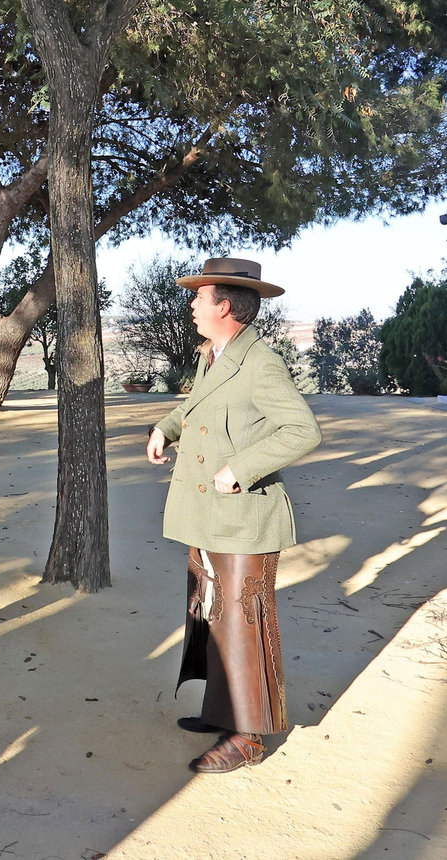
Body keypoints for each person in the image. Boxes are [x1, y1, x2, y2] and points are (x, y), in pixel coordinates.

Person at [146, 257, 321, 774]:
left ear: (225, 305)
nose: (193, 305)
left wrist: (241, 468)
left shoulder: (261, 362)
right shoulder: (215, 355)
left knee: (246, 621)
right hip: (210, 513)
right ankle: (223, 710)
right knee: (216, 614)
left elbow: (302, 431)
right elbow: (195, 407)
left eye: (199, 297)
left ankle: (248, 737)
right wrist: (166, 428)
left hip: (245, 515)